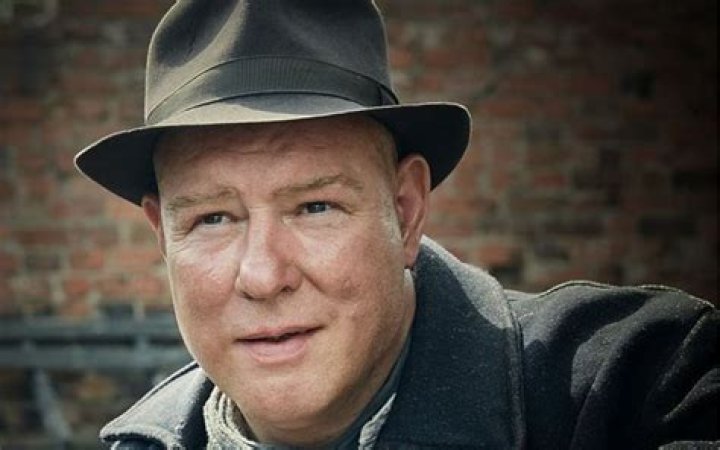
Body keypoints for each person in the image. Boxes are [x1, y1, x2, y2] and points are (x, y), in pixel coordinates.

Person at [74, 1, 717, 449]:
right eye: (213, 218)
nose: (264, 276)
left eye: (314, 207)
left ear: (405, 212)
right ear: (164, 237)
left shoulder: (643, 384)